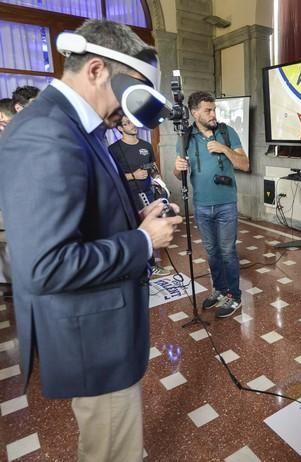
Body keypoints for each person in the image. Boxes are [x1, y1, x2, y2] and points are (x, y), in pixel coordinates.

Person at [0, 19, 182, 461]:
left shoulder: (80, 127)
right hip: (92, 337)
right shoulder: (48, 133)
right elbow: (44, 266)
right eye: (133, 88)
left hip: (101, 326)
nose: (131, 110)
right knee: (109, 448)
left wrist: (133, 219)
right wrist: (142, 241)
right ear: (98, 70)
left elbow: (80, 217)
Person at [173, 91, 249, 318]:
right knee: (212, 252)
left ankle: (234, 296)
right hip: (202, 205)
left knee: (227, 252)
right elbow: (178, 174)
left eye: (214, 109)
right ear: (195, 113)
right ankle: (219, 289)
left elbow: (245, 164)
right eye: (208, 110)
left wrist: (223, 149)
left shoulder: (227, 132)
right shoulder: (185, 137)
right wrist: (178, 167)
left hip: (226, 203)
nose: (213, 113)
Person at [110, 115, 171, 277]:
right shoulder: (114, 149)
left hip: (148, 194)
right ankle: (133, 267)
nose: (132, 125)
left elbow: (153, 168)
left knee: (148, 229)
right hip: (127, 197)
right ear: (120, 129)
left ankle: (151, 265)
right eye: (126, 123)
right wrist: (133, 175)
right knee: (131, 231)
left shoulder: (146, 146)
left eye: (132, 121)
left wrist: (158, 180)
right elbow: (112, 177)